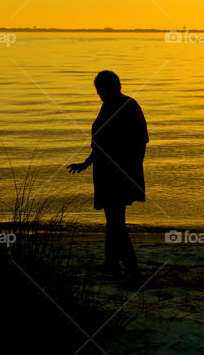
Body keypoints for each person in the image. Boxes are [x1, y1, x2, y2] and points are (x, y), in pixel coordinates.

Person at [68, 70, 148, 283]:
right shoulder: (110, 105)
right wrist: (86, 163)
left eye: (100, 91)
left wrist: (130, 169)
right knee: (113, 219)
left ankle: (131, 266)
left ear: (112, 87)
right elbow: (101, 144)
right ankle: (112, 263)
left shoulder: (128, 106)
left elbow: (141, 142)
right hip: (106, 171)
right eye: (98, 92)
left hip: (120, 173)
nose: (99, 95)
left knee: (115, 221)